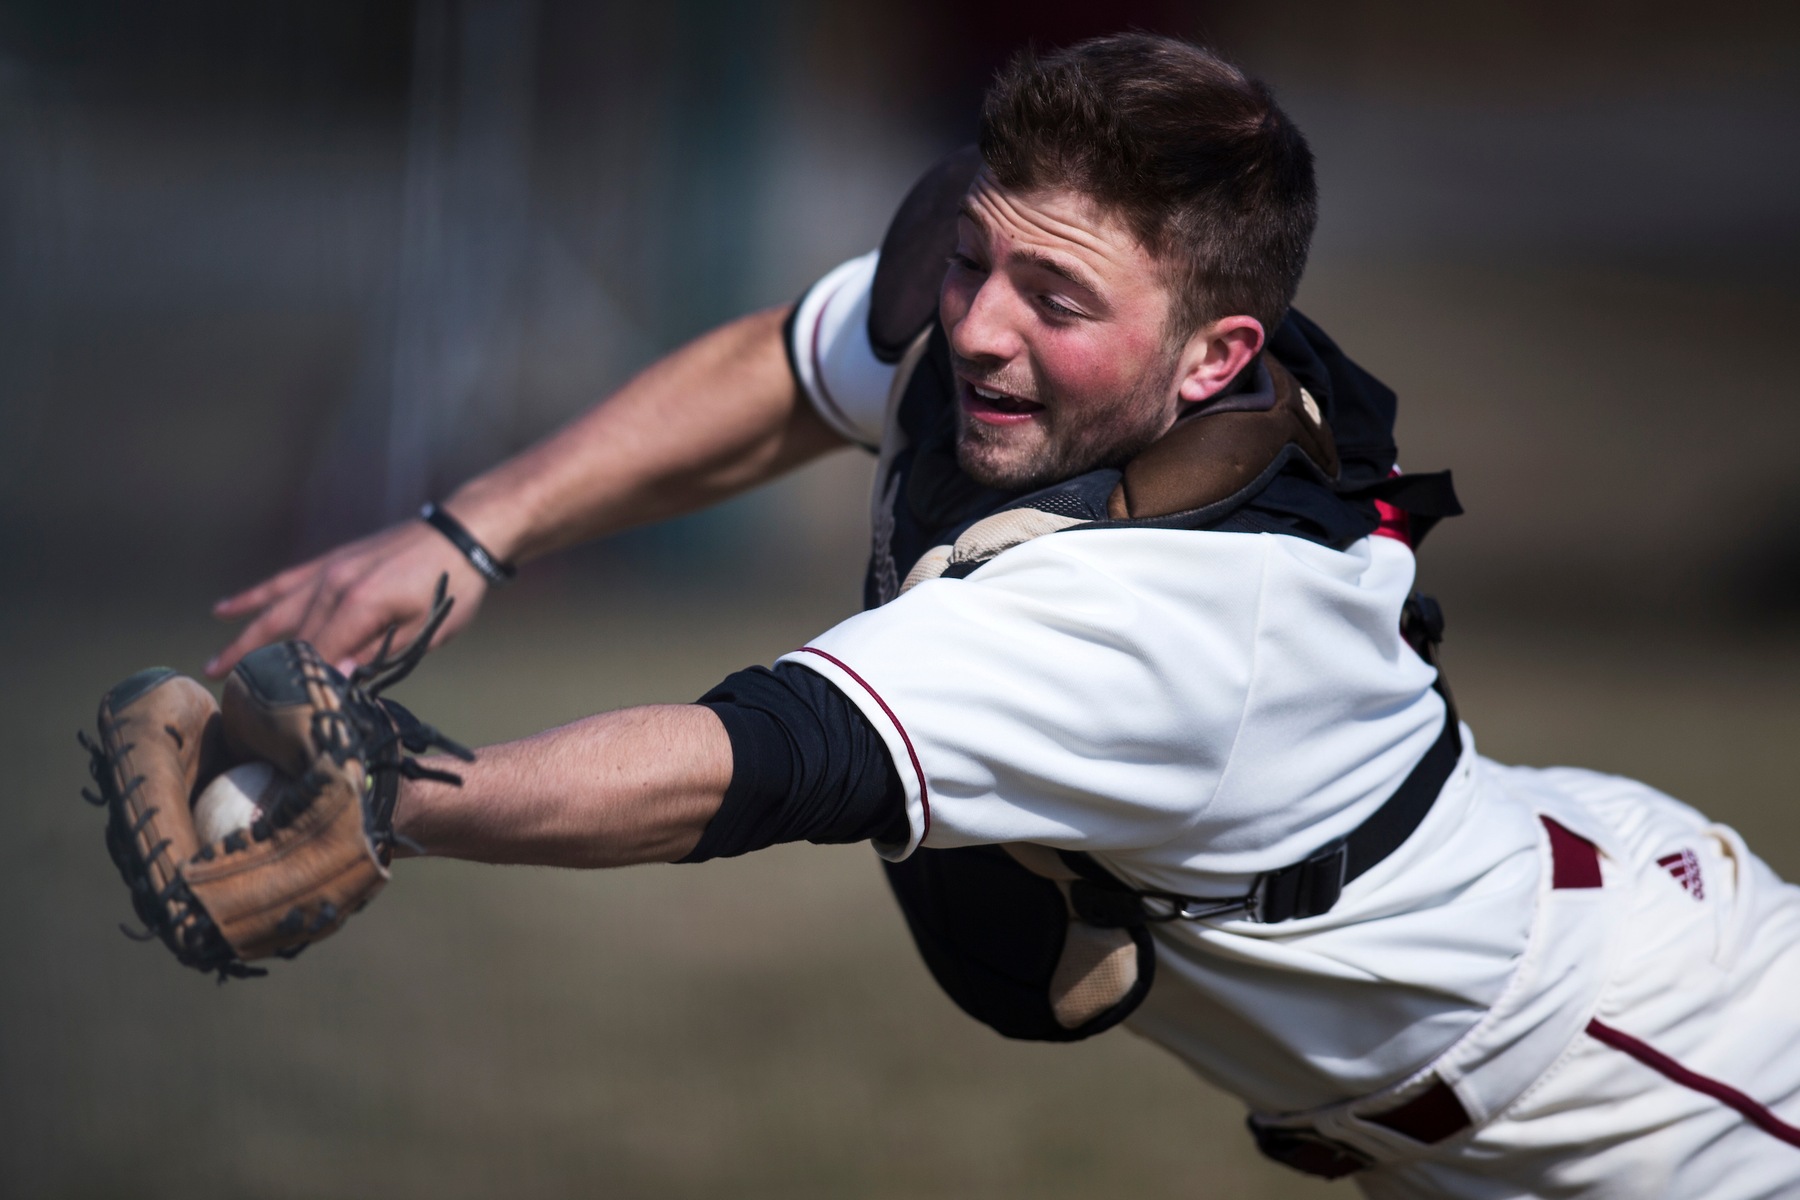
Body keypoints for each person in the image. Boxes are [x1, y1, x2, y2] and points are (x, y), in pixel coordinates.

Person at [206, 35, 1800, 1198]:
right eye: (973, 260)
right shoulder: (1061, 341)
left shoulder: (1176, 612)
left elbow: (748, 765)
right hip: (1460, 1107)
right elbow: (791, 363)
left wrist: (379, 797)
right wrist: (471, 529)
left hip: (1674, 1090)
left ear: (1217, 354)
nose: (975, 328)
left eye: (1053, 301)